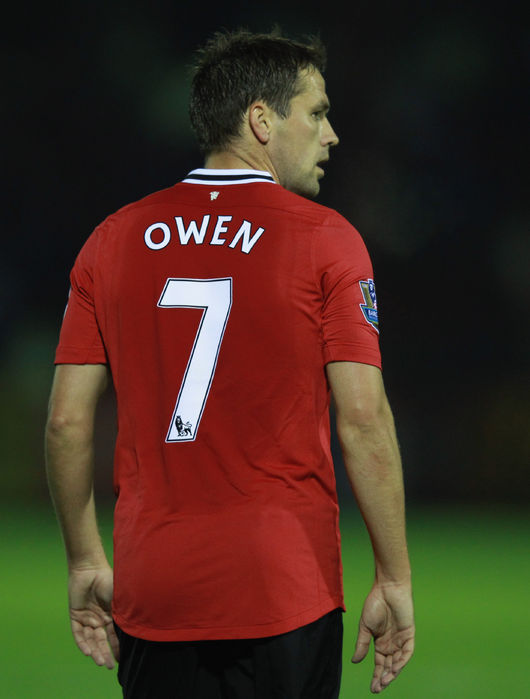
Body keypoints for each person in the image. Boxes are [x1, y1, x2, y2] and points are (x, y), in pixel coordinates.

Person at [45, 29, 414, 698]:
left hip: (153, 582)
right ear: (261, 120)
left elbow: (68, 424)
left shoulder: (113, 238)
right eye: (319, 112)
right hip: (284, 584)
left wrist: (82, 557)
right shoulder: (326, 239)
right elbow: (362, 419)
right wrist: (393, 576)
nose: (331, 136)